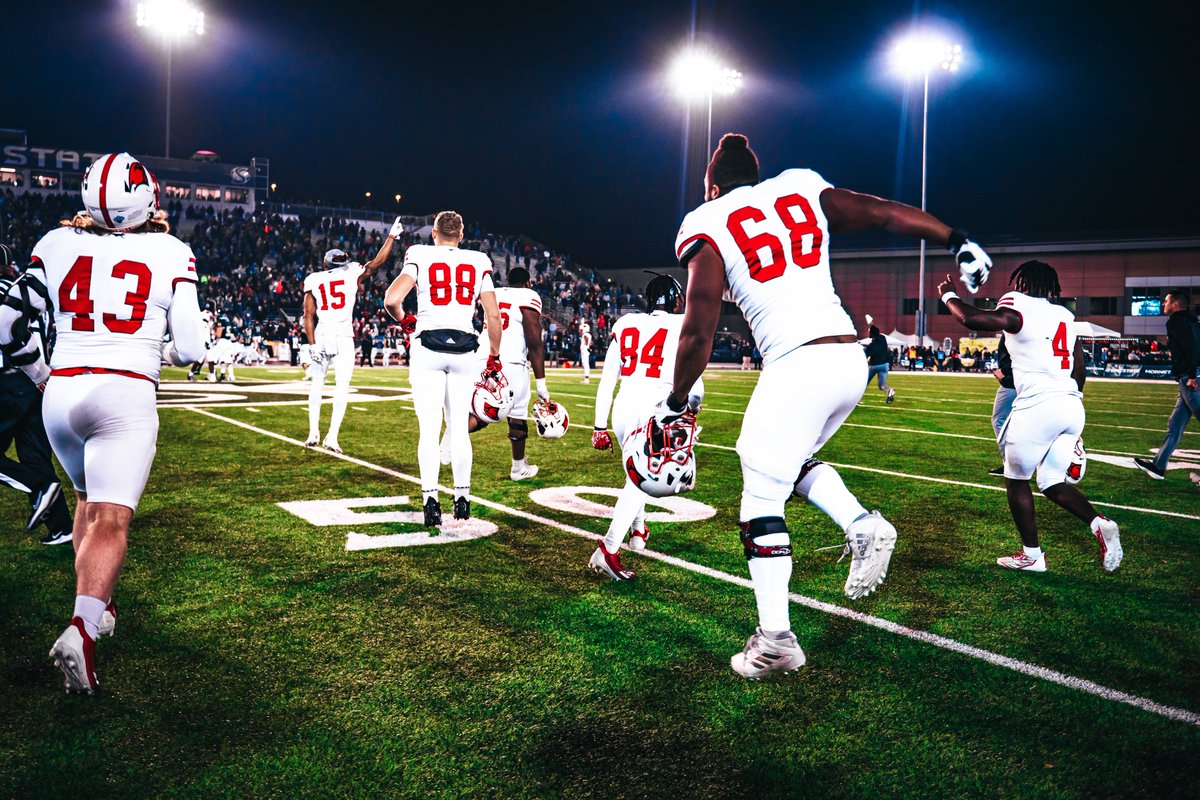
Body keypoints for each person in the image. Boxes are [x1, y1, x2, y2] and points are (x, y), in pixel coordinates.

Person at [665, 133, 993, 678]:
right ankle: (860, 523)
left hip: (798, 362)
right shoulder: (799, 187)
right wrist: (954, 236)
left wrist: (676, 399)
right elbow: (881, 213)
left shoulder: (707, 218)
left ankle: (776, 640)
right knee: (780, 463)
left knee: (759, 494)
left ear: (712, 185)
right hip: (848, 358)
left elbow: (698, 327)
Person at [0, 152, 208, 693]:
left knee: (88, 506)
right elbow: (188, 349)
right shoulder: (171, 250)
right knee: (111, 520)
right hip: (124, 390)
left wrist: (43, 375)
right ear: (147, 198)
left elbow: (7, 324)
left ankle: (101, 606)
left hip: (62, 389)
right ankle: (81, 630)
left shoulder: (55, 242)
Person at [937, 262, 1122, 574]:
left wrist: (948, 295)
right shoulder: (1063, 314)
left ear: (1020, 283)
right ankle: (1098, 523)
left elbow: (971, 318)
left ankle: (1032, 555)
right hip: (1070, 404)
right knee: (1050, 481)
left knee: (1017, 478)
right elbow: (1079, 366)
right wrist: (1069, 400)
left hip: (1037, 404)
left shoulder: (1018, 304)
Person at [384, 211, 502, 526]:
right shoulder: (478, 261)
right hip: (465, 348)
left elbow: (391, 299)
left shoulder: (420, 254)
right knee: (458, 427)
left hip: (428, 346)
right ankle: (462, 500)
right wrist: (494, 356)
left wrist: (406, 320)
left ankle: (431, 502)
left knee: (429, 428)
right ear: (460, 236)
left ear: (434, 233)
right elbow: (493, 314)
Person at [590, 274, 703, 580]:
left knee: (636, 474)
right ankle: (608, 548)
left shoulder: (626, 323)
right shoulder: (681, 324)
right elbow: (695, 384)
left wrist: (599, 425)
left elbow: (606, 380)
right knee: (644, 479)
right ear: (676, 299)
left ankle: (638, 531)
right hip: (656, 409)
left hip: (623, 407)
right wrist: (693, 404)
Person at [439, 266, 552, 480]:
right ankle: (518, 468)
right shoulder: (529, 295)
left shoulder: (495, 293)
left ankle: (452, 436)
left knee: (480, 411)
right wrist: (542, 385)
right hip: (510, 360)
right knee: (516, 416)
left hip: (483, 355)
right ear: (528, 282)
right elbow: (535, 342)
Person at [301, 219, 400, 454]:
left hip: (323, 332)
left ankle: (313, 431)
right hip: (344, 336)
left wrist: (311, 344)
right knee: (342, 387)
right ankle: (332, 436)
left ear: (325, 265)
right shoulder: (351, 273)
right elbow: (377, 263)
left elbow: (307, 315)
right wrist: (391, 237)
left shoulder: (314, 279)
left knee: (317, 383)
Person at [0, 244, 72, 545]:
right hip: (33, 382)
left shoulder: (8, 295)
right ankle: (60, 527)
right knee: (35, 454)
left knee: (35, 468)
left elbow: (9, 333)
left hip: (8, 380)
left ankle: (38, 486)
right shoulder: (25, 293)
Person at [1134, 289, 1199, 479]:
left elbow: (1192, 348)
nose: (1163, 304)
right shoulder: (1191, 321)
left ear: (1176, 304)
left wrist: (1192, 375)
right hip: (1186, 378)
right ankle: (1158, 466)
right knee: (1175, 425)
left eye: (1166, 301)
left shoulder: (1177, 321)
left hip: (1189, 378)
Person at [863, 325, 895, 403]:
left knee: (863, 384)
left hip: (874, 365)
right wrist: (871, 324)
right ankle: (889, 391)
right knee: (882, 386)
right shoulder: (883, 339)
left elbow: (865, 356)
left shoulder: (871, 346)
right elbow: (876, 332)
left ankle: (856, 401)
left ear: (872, 334)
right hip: (884, 365)